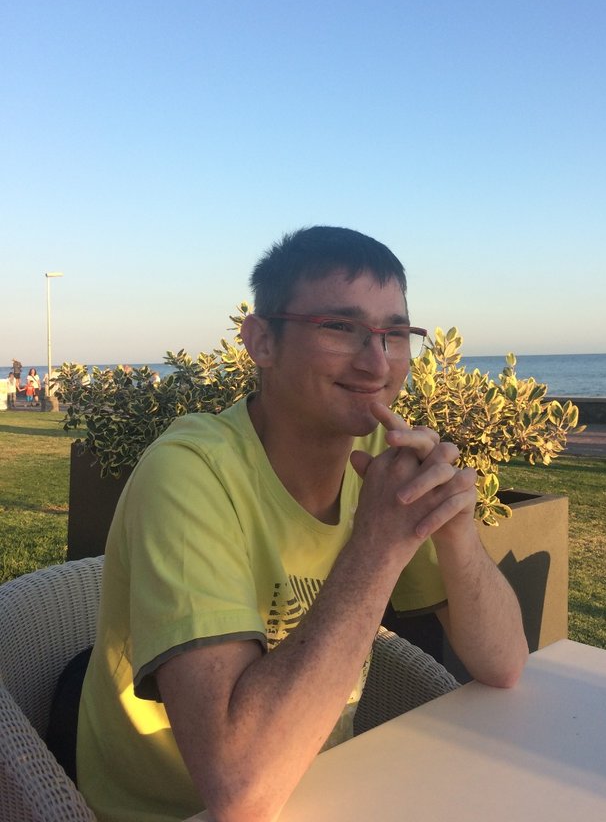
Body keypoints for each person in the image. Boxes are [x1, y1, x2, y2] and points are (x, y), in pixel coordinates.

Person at [77, 225, 528, 822]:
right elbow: (239, 791)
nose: (376, 363)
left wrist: (455, 530)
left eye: (395, 334)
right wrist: (378, 545)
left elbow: (505, 663)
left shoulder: (381, 456)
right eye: (340, 327)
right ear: (262, 341)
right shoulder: (190, 472)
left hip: (322, 789)